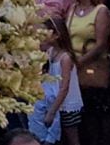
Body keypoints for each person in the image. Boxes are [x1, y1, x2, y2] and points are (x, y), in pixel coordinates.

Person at [66, 0, 110, 145]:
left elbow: (100, 45)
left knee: (95, 117)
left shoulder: (100, 11)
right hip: (72, 66)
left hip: (91, 66)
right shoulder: (72, 9)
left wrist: (79, 62)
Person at [31, 17, 82, 145]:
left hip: (66, 105)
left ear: (56, 35)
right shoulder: (50, 51)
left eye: (45, 32)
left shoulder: (65, 58)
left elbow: (64, 87)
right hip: (53, 101)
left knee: (72, 139)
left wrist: (52, 111)